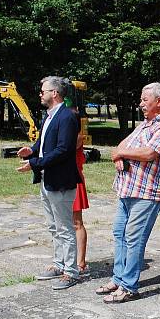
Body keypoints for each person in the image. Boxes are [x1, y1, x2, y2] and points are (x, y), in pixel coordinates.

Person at [94, 82, 160, 303]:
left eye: (145, 99)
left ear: (158, 101)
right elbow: (124, 144)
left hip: (148, 192)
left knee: (134, 238)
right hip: (128, 188)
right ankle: (118, 278)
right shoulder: (146, 124)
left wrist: (120, 153)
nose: (141, 103)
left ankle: (129, 286)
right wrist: (119, 153)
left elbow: (150, 153)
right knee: (119, 233)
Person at [17, 76, 81, 290]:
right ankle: (59, 264)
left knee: (65, 228)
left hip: (61, 181)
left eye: (43, 91)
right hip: (47, 180)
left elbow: (63, 150)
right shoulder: (49, 116)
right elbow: (43, 142)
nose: (40, 94)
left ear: (55, 93)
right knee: (53, 226)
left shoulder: (68, 117)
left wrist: (35, 163)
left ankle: (71, 272)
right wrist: (32, 151)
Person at [73, 117, 89, 274]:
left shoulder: (76, 137)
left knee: (76, 223)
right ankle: (67, 260)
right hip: (61, 180)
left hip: (73, 180)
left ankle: (80, 263)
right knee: (63, 225)